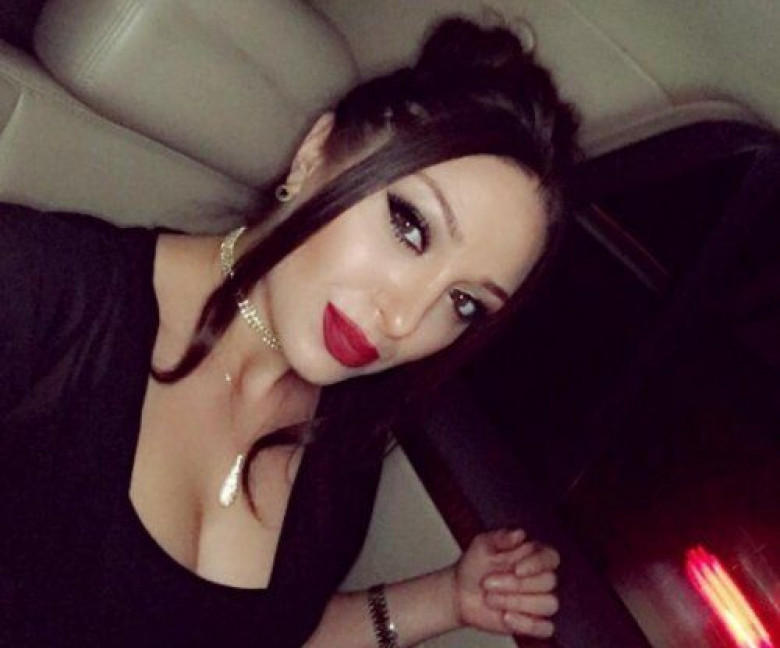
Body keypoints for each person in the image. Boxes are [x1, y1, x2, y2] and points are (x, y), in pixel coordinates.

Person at [0, 15, 578, 648]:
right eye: (410, 226)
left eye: (463, 302)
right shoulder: (37, 289)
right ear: (312, 155)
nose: (403, 320)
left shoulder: (344, 446)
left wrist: (447, 599)